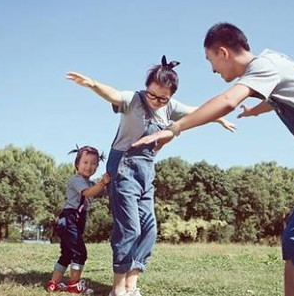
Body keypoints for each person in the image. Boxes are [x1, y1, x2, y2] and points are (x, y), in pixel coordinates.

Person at [132, 23, 294, 296]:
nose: (213, 70)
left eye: (211, 62)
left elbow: (228, 100)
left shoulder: (264, 66)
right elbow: (286, 96)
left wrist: (173, 128)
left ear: (223, 52)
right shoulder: (274, 61)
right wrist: (256, 111)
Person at [66, 56, 236, 296]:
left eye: (162, 98)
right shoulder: (134, 100)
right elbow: (114, 94)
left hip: (146, 171)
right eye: (152, 95)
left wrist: (218, 118)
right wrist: (92, 84)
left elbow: (197, 112)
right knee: (130, 229)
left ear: (170, 95)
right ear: (146, 88)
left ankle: (132, 284)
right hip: (123, 166)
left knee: (149, 229)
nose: (156, 101)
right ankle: (118, 288)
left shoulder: (170, 107)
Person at [46, 145, 111, 294]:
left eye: (93, 163)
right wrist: (102, 183)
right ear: (77, 164)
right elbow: (88, 193)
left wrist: (109, 186)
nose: (89, 166)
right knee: (80, 253)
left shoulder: (90, 183)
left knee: (67, 254)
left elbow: (101, 192)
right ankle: (73, 284)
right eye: (85, 162)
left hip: (75, 220)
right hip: (69, 219)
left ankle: (53, 283)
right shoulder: (76, 180)